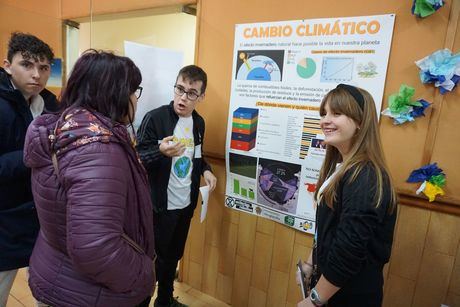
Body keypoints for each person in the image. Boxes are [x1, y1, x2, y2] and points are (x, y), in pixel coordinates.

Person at [23, 50, 155, 306]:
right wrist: (143, 275)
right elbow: (96, 248)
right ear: (115, 94)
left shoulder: (64, 128)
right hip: (89, 292)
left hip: (58, 273)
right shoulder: (98, 148)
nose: (135, 100)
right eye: (133, 91)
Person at [297, 84, 397, 307]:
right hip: (332, 287)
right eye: (324, 113)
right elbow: (328, 231)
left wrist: (314, 299)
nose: (325, 120)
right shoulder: (341, 168)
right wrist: (312, 264)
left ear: (360, 122)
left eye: (337, 113)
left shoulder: (365, 176)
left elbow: (349, 250)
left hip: (350, 295)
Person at [137, 65, 217, 307]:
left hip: (185, 203)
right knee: (149, 259)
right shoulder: (155, 118)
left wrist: (207, 171)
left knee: (172, 257)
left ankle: (164, 300)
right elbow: (138, 158)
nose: (183, 97)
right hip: (159, 205)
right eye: (180, 89)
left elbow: (198, 155)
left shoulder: (199, 123)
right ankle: (140, 302)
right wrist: (160, 151)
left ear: (201, 97)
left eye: (192, 93)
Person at [0, 32, 58, 306]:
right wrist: (32, 154)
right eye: (27, 64)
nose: (36, 74)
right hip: (5, 218)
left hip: (42, 215)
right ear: (7, 65)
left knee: (47, 292)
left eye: (44, 67)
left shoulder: (52, 105)